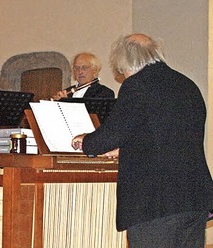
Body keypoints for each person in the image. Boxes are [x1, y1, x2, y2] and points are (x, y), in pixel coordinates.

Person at [71, 33, 213, 247]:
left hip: (155, 203)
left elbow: (110, 135)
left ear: (123, 60)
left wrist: (86, 140)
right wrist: (126, 148)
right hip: (194, 199)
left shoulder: (137, 85)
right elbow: (169, 135)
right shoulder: (187, 85)